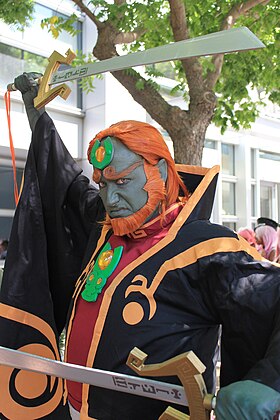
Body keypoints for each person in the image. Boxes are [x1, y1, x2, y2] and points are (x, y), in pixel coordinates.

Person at [1, 72, 280, 420]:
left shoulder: (209, 247)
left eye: (123, 182)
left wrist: (271, 381)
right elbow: (68, 184)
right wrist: (39, 119)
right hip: (74, 408)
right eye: (103, 185)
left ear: (160, 171)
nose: (110, 197)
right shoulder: (105, 225)